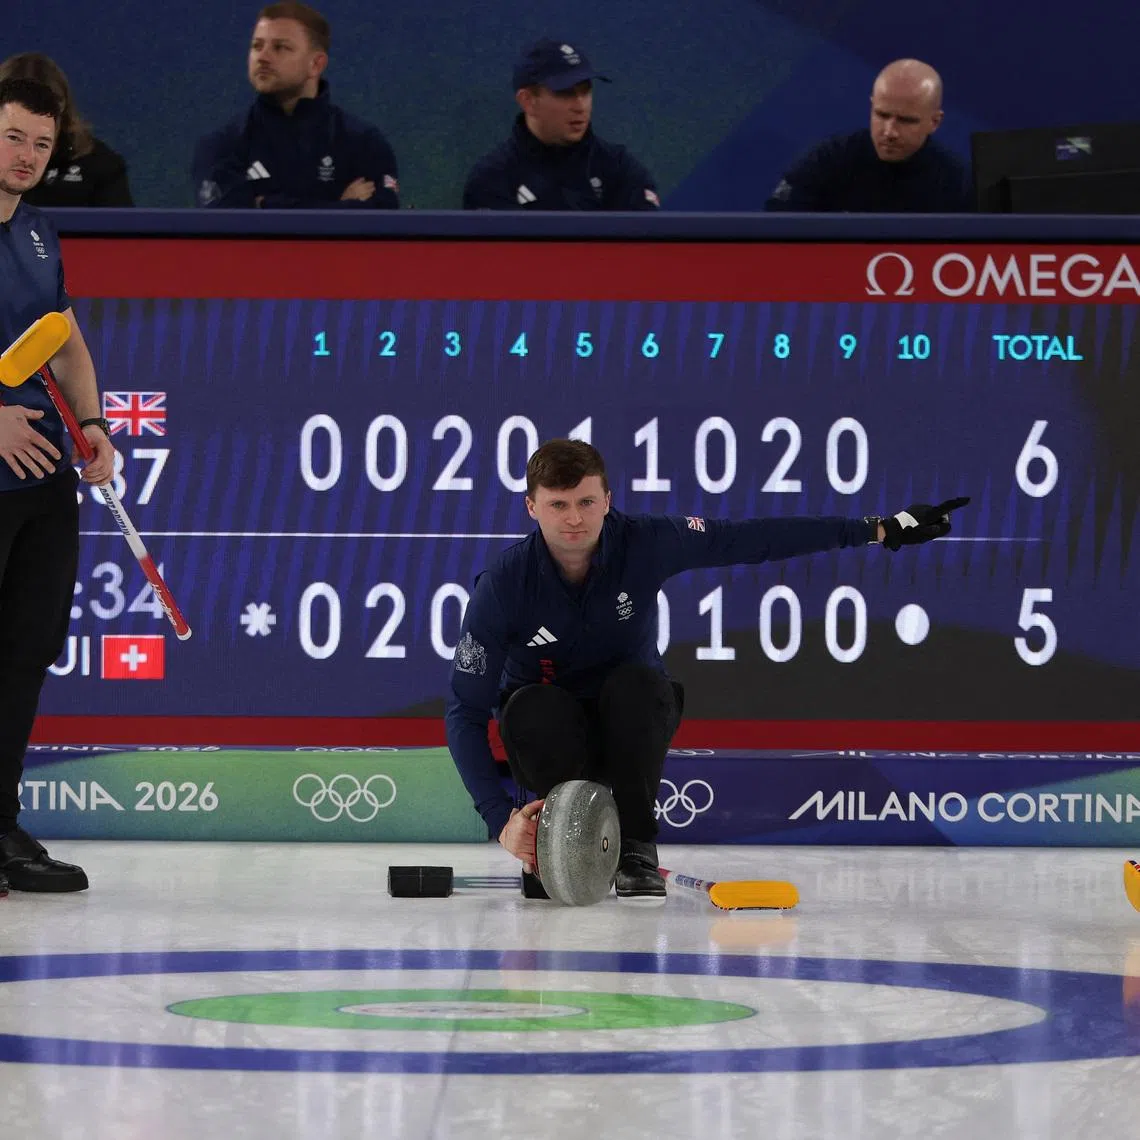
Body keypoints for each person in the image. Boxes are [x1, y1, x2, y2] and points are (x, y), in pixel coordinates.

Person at [445, 439, 968, 900]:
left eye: (586, 501)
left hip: (630, 726)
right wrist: (500, 821)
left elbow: (749, 539)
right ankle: (554, 841)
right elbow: (464, 712)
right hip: (548, 737)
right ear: (531, 507)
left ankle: (635, 850)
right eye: (558, 505)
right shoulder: (504, 585)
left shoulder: (646, 541)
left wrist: (875, 529)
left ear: (607, 500)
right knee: (532, 704)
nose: (575, 519)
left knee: (639, 686)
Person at [0, 77, 117, 895]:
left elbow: (65, 340)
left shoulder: (39, 234)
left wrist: (96, 422)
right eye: (12, 137)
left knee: (25, 651)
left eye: (41, 144)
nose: (26, 157)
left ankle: (0, 824)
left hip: (40, 474)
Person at [192, 2, 399, 209]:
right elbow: (228, 222)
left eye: (280, 47)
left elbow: (383, 220)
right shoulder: (223, 145)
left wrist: (262, 204)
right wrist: (339, 207)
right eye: (257, 46)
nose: (262, 57)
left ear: (316, 64)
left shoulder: (364, 143)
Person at [463, 38, 660, 211]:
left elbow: (647, 245)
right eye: (566, 93)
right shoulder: (492, 178)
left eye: (586, 92)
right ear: (528, 101)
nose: (581, 106)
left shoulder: (619, 168)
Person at [765, 59, 971, 213]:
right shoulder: (828, 160)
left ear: (935, 122)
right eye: (881, 115)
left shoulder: (957, 183)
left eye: (906, 120)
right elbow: (774, 228)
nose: (889, 132)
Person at [0, 54, 133, 208]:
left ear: (62, 110)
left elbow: (121, 229)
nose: (27, 158)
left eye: (44, 110)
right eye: (14, 137)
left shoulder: (101, 166)